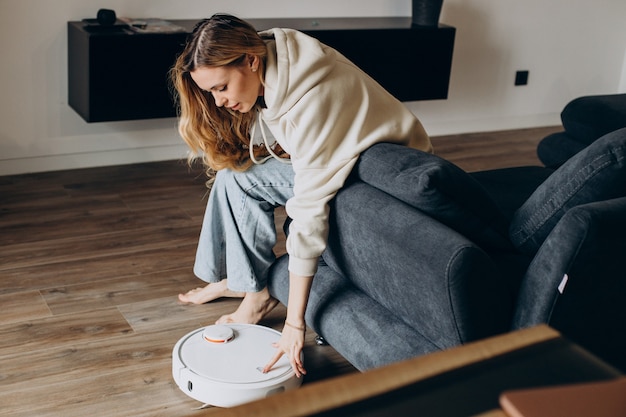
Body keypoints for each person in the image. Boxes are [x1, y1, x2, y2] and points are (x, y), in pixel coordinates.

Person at [170, 13, 432, 377]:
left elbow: (308, 219)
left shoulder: (310, 98)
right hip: (353, 152)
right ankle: (242, 279)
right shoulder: (281, 53)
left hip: (378, 177)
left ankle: (257, 296)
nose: (218, 101)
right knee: (234, 177)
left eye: (221, 87)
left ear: (250, 60)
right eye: (211, 92)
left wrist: (294, 323)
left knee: (247, 184)